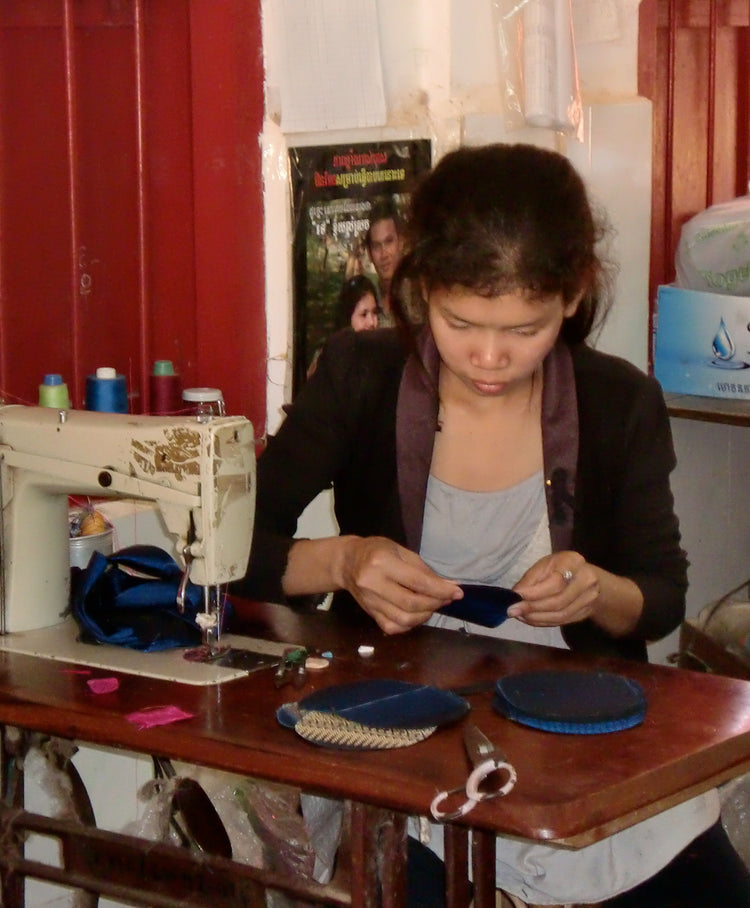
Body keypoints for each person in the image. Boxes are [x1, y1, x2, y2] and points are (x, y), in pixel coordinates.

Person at [237, 143, 750, 906]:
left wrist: (595, 589)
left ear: (574, 296)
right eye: (460, 322)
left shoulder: (618, 404)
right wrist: (342, 561)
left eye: (524, 329)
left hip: (585, 747)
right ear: (419, 288)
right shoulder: (359, 377)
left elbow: (662, 594)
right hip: (405, 741)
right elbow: (232, 547)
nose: (488, 357)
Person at [364, 199, 404, 324]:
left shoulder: (420, 297)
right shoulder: (367, 302)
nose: (383, 254)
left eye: (389, 241)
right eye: (376, 246)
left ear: (401, 243)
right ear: (370, 254)